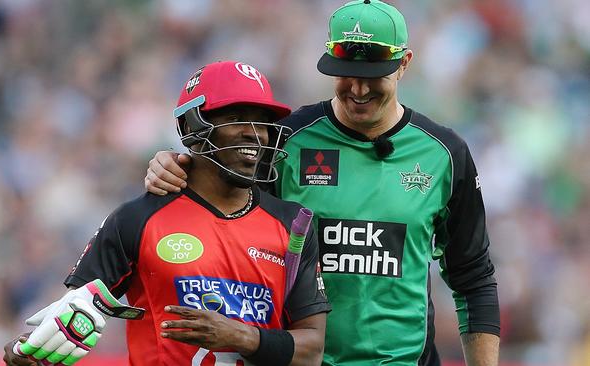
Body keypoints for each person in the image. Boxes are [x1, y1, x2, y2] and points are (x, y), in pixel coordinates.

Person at [144, 1, 500, 365]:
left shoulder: (444, 153)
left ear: (404, 63)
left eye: (372, 76)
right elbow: (219, 202)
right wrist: (172, 165)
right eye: (346, 74)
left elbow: (473, 278)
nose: (358, 90)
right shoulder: (286, 141)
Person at [3, 60, 331, 366]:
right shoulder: (136, 219)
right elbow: (72, 312)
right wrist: (32, 347)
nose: (254, 133)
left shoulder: (292, 224)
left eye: (262, 122)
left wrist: (239, 336)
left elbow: (311, 350)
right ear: (193, 124)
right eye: (236, 118)